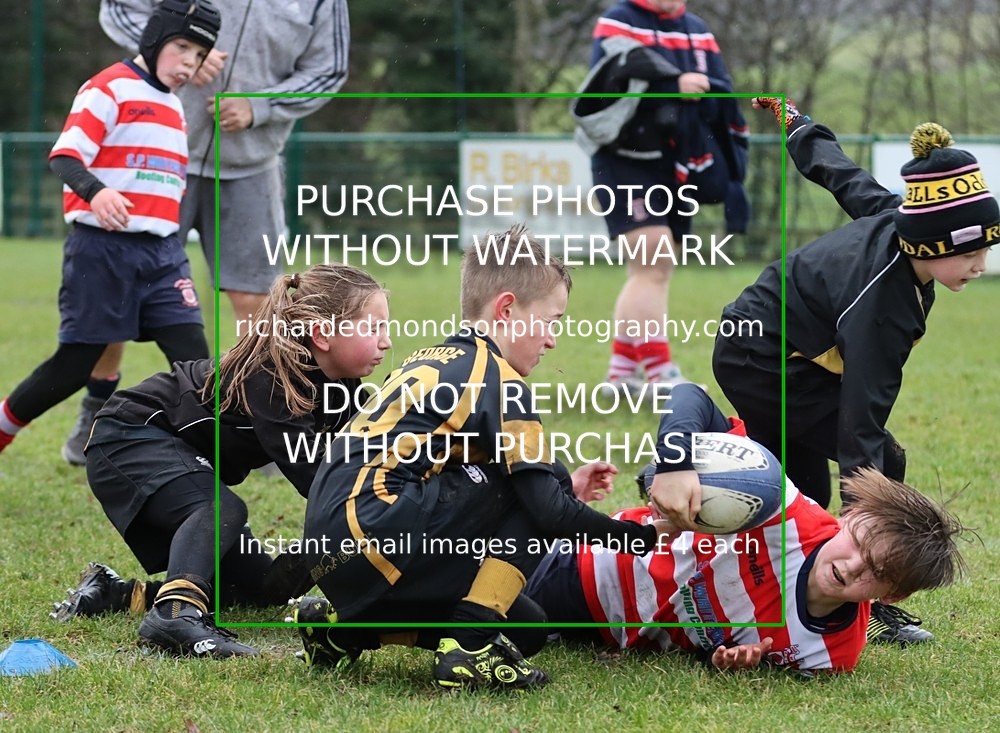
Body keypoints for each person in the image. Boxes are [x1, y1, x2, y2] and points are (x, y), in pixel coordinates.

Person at [290, 224, 673, 691]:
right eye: (551, 321)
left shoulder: (433, 357)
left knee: (527, 628)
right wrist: (642, 538)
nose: (553, 341)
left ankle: (340, 627)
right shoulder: (498, 377)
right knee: (534, 484)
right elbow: (545, 510)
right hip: (376, 530)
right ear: (507, 309)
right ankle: (467, 649)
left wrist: (560, 486)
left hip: (332, 549)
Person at [706, 98, 997, 644]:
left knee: (793, 482)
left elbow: (839, 172)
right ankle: (868, 597)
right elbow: (861, 420)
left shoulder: (896, 218)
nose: (981, 267)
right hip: (763, 359)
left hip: (766, 347)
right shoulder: (883, 309)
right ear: (935, 243)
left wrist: (798, 127)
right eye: (971, 253)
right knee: (873, 463)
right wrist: (863, 519)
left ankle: (760, 577)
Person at [57, 0, 351, 467]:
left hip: (250, 164)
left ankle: (265, 423)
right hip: (151, 156)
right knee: (115, 295)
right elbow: (119, 10)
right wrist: (179, 50)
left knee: (259, 300)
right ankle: (99, 406)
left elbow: (327, 70)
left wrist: (264, 105)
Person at [55, 264, 391, 658]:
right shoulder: (272, 375)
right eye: (373, 329)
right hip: (128, 435)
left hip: (170, 450)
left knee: (261, 588)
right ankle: (173, 614)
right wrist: (387, 512)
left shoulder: (344, 386)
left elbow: (358, 456)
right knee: (221, 508)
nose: (386, 342)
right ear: (322, 335)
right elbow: (317, 478)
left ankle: (118, 594)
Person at [525, 384, 967, 674]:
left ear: (892, 596)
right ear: (849, 518)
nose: (852, 565)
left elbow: (742, 654)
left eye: (875, 571)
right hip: (582, 566)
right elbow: (690, 398)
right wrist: (676, 465)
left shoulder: (830, 657)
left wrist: (736, 662)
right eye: (860, 543)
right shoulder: (784, 509)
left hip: (603, 631)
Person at [0, 0, 220, 458]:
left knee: (196, 365)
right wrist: (97, 192)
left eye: (199, 56)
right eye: (182, 46)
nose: (188, 63)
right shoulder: (108, 88)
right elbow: (65, 155)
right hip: (101, 251)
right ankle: (4, 425)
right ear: (155, 36)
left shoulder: (175, 109)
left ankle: (209, 455)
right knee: (76, 364)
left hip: (164, 255)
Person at [575, 0, 748, 396]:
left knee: (651, 271)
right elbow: (611, 82)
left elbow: (718, 85)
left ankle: (620, 375)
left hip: (674, 165)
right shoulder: (618, 20)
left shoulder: (698, 30)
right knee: (652, 262)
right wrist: (673, 85)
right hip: (624, 161)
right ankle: (660, 371)